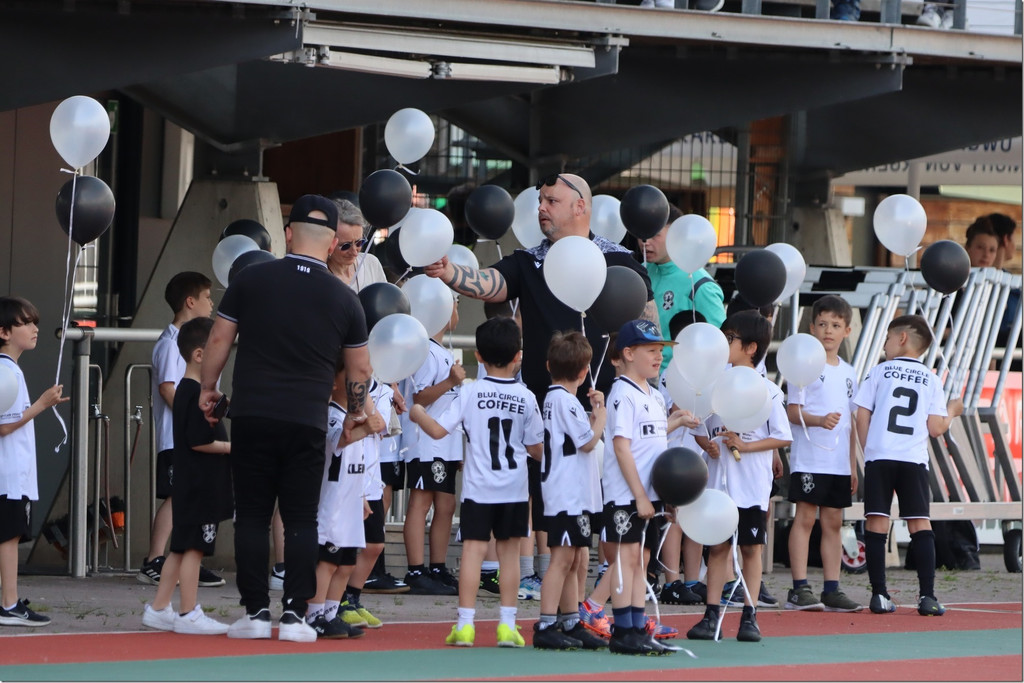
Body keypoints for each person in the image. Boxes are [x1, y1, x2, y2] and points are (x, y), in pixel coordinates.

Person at [200, 194, 372, 643]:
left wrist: (208, 388)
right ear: (332, 242)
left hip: (253, 413)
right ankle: (296, 615)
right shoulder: (345, 299)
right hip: (307, 419)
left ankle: (256, 613)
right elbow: (360, 369)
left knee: (252, 516)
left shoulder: (252, 279)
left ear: (288, 234)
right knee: (300, 519)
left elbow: (218, 338)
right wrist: (355, 413)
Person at [424, 173, 656, 410]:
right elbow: (488, 283)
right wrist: (448, 271)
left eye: (551, 201)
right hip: (540, 409)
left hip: (607, 409)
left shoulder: (619, 260)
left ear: (579, 207)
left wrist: (650, 384)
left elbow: (648, 326)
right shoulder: (527, 261)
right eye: (540, 201)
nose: (541, 208)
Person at [410, 317, 544, 648]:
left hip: (478, 489)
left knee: (473, 552)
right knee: (509, 555)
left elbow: (438, 430)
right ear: (519, 356)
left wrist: (417, 413)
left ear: (479, 356)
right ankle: (507, 625)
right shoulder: (526, 396)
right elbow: (537, 448)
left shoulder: (471, 392)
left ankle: (465, 625)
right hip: (514, 488)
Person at [690, 310, 791, 643]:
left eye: (730, 338)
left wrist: (746, 446)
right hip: (719, 485)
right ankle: (711, 616)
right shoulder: (714, 387)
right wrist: (708, 445)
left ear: (750, 348)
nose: (724, 344)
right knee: (717, 548)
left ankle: (750, 615)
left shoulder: (768, 391)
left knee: (750, 549)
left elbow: (782, 436)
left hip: (750, 486)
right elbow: (700, 429)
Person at [854, 315, 964, 617]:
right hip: (912, 459)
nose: (885, 345)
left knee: (877, 521)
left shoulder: (879, 371)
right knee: (919, 523)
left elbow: (861, 415)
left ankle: (879, 595)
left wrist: (868, 449)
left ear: (902, 338)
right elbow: (936, 428)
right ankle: (927, 596)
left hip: (880, 456)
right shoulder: (931, 378)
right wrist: (953, 409)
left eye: (888, 338)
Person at [602, 320, 696, 655]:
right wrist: (640, 495)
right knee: (626, 559)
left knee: (642, 560)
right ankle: (622, 630)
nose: (659, 357)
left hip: (650, 495)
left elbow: (651, 437)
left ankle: (636, 626)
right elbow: (622, 447)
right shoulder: (622, 394)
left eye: (660, 350)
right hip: (627, 495)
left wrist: (675, 423)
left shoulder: (654, 395)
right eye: (651, 350)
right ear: (628, 353)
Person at [141, 317, 233, 635]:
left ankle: (159, 607)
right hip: (200, 484)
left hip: (190, 483)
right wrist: (231, 447)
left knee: (180, 549)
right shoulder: (193, 392)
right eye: (218, 351)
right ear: (199, 355)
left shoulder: (188, 391)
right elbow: (199, 441)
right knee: (194, 549)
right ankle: (188, 611)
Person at [139, 272, 224, 589]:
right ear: (190, 301)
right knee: (178, 496)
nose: (211, 303)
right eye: (207, 297)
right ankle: (154, 560)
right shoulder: (170, 343)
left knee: (195, 497)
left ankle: (189, 559)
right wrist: (193, 419)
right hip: (177, 436)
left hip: (195, 435)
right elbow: (167, 388)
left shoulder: (192, 342)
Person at [784, 295, 862, 613]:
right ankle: (799, 588)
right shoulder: (803, 367)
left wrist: (852, 465)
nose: (829, 331)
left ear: (847, 331)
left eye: (836, 325)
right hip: (809, 458)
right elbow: (792, 412)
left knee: (833, 522)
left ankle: (832, 588)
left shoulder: (849, 372)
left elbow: (851, 422)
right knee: (804, 519)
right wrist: (819, 420)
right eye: (823, 324)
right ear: (812, 328)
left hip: (838, 462)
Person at [533, 331, 608, 651]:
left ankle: (570, 619)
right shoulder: (564, 400)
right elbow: (588, 441)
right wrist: (601, 416)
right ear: (583, 371)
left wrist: (590, 416)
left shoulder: (558, 400)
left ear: (549, 365)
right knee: (562, 559)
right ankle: (546, 622)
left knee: (576, 557)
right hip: (567, 494)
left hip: (573, 493)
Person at [305, 358, 385, 640]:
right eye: (351, 377)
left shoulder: (357, 416)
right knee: (327, 561)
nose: (359, 384)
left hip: (350, 501)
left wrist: (362, 497)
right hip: (332, 504)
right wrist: (365, 429)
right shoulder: (330, 414)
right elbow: (338, 441)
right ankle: (313, 614)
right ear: (335, 383)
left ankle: (331, 613)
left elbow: (357, 462)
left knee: (347, 563)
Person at [0, 297, 68, 627]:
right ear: (4, 332)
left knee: (9, 536)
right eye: (25, 323)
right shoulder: (5, 370)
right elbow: (4, 426)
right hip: (8, 474)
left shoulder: (9, 369)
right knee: (8, 537)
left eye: (34, 322)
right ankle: (9, 604)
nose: (34, 328)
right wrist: (42, 403)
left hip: (13, 473)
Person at [402, 298, 463, 596]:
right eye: (455, 304)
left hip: (445, 443)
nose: (457, 311)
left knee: (446, 505)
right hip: (426, 441)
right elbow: (420, 398)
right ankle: (416, 570)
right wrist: (451, 381)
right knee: (421, 502)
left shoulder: (441, 351)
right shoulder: (426, 350)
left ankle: (437, 567)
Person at [339, 374, 400, 627]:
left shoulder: (384, 391)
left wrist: (369, 401)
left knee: (374, 544)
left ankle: (352, 597)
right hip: (345, 473)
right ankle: (337, 601)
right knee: (342, 544)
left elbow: (380, 426)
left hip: (371, 476)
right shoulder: (341, 384)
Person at [640, 205, 726, 374]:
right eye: (644, 233)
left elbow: (719, 344)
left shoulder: (700, 284)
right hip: (639, 378)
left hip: (676, 380)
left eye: (655, 234)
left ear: (676, 235)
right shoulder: (641, 272)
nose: (646, 241)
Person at [328, 199, 387, 292]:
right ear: (328, 242)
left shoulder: (371, 263)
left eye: (359, 242)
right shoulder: (319, 275)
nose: (354, 252)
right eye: (346, 246)